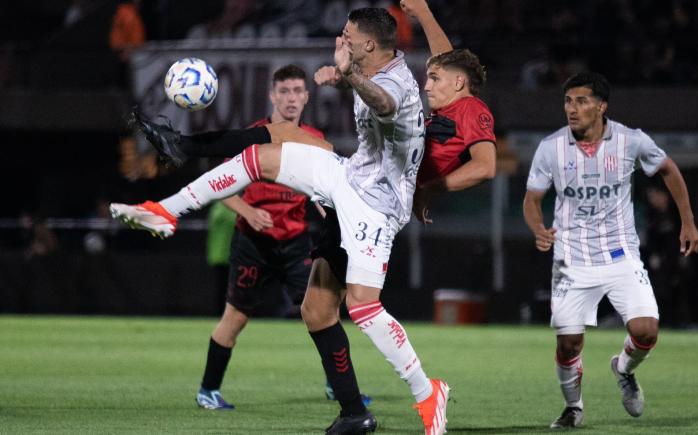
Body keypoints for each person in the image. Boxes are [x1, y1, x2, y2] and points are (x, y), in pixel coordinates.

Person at [111, 8, 450, 435]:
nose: (340, 41)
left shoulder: (395, 84)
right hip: (349, 178)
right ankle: (166, 211)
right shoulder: (375, 69)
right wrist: (347, 77)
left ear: (368, 45)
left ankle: (426, 392)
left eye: (347, 37)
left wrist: (349, 76)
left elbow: (383, 103)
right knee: (314, 304)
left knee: (362, 306)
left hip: (376, 208)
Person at [522, 72, 698, 429]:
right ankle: (573, 407)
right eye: (568, 101)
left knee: (647, 330)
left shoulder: (630, 141)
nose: (572, 109)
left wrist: (687, 221)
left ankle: (623, 368)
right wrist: (538, 229)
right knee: (569, 344)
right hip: (571, 258)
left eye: (582, 101)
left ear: (601, 106)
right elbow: (532, 198)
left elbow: (667, 169)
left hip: (620, 253)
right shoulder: (551, 147)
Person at [195, 64, 350, 411]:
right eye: (284, 91)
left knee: (327, 313)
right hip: (252, 243)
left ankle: (338, 388)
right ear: (272, 96)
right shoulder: (253, 135)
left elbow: (323, 190)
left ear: (307, 97)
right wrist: (248, 211)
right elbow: (218, 185)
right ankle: (208, 390)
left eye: (297, 91)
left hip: (296, 244)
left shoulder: (313, 138)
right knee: (235, 318)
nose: (291, 98)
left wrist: (331, 212)